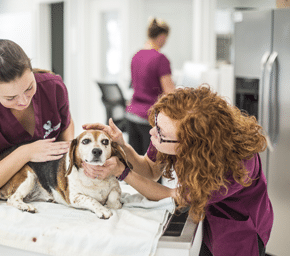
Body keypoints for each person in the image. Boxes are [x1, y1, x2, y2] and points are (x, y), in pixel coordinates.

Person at [83, 86, 273, 256]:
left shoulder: (233, 166)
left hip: (238, 229)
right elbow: (150, 169)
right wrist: (123, 146)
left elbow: (174, 195)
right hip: (206, 216)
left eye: (161, 134)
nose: (152, 133)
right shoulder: (169, 130)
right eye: (156, 124)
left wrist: (123, 173)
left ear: (191, 145)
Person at [0, 39, 74, 205]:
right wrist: (25, 153)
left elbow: (66, 124)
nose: (24, 101)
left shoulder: (53, 87)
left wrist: (67, 165)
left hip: (51, 193)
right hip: (9, 197)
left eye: (29, 88)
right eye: (10, 98)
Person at [126, 17, 176, 156]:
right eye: (166, 38)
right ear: (161, 37)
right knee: (153, 167)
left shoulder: (136, 55)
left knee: (136, 163)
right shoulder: (160, 59)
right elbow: (170, 93)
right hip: (148, 118)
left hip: (132, 114)